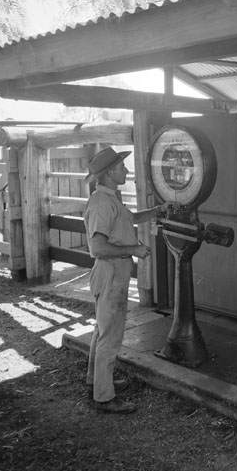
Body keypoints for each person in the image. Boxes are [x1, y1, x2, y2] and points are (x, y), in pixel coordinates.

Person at [83, 147, 173, 414]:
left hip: (114, 272)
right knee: (110, 336)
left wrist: (156, 211)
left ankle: (96, 382)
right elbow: (97, 248)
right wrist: (133, 250)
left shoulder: (111, 198)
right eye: (122, 167)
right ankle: (104, 397)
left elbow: (128, 220)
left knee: (102, 330)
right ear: (110, 172)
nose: (126, 170)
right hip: (110, 273)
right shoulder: (101, 203)